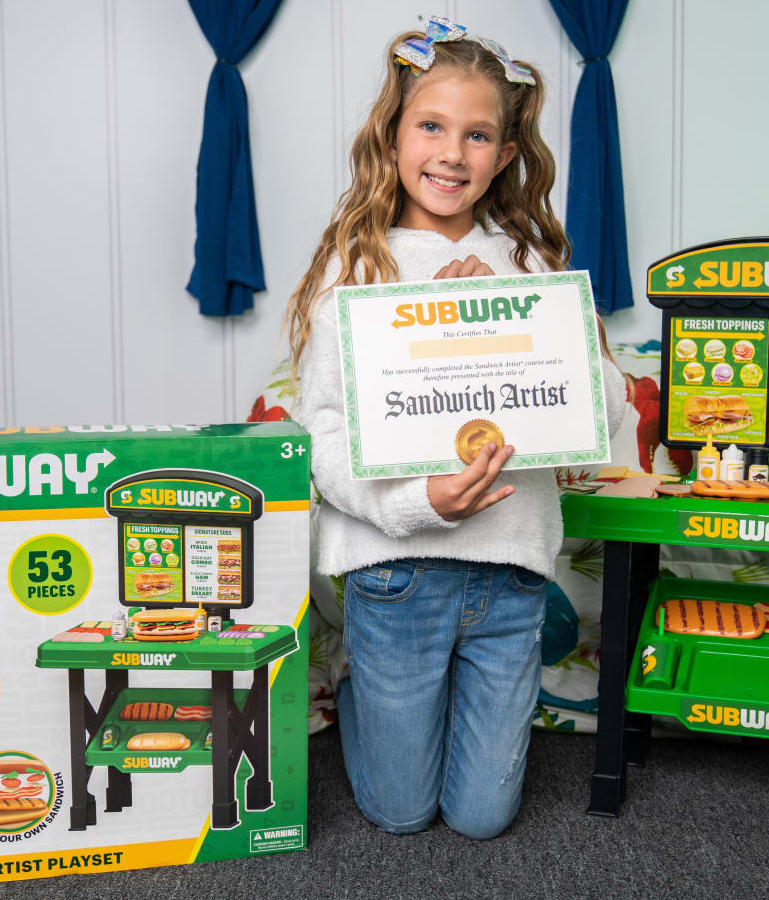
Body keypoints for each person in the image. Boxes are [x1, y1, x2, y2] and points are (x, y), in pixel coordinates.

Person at [284, 16, 628, 840]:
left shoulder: (529, 262)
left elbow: (605, 410)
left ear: (505, 154)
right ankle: (365, 676)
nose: (451, 152)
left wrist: (513, 315)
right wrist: (420, 501)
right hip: (395, 574)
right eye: (430, 126)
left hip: (508, 578)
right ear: (393, 135)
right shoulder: (354, 269)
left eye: (477, 135)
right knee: (401, 815)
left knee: (481, 819)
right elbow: (323, 441)